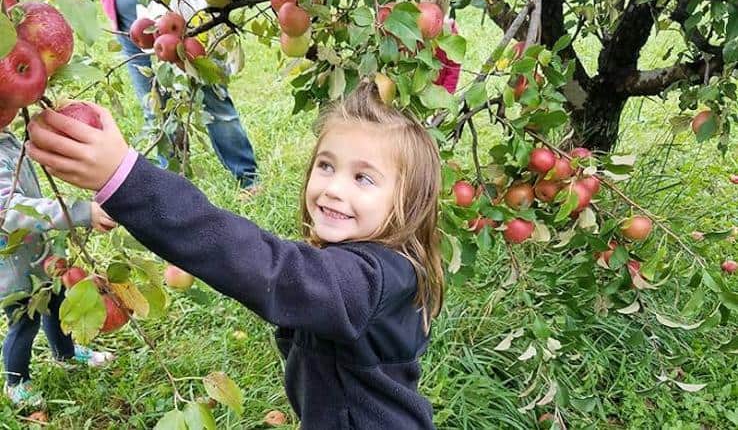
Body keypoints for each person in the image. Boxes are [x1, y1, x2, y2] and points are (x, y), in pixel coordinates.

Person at [26, 81, 445, 429]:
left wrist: (126, 179)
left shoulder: (370, 280)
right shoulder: (364, 263)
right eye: (326, 166)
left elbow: (266, 269)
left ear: (409, 202)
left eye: (364, 178)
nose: (334, 188)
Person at [89, 0, 259, 191]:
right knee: (155, 105)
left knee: (213, 96)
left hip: (182, 15)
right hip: (130, 23)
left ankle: (247, 178)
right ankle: (171, 187)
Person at [0, 122, 117, 408]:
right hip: (12, 270)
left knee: (56, 303)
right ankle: (16, 382)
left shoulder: (6, 137)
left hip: (39, 256)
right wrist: (79, 212)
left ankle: (64, 353)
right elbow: (9, 210)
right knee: (24, 322)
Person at [419, 0, 462, 94]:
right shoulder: (413, 29)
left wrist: (446, 94)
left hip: (435, 92)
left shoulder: (449, 32)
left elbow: (453, 68)